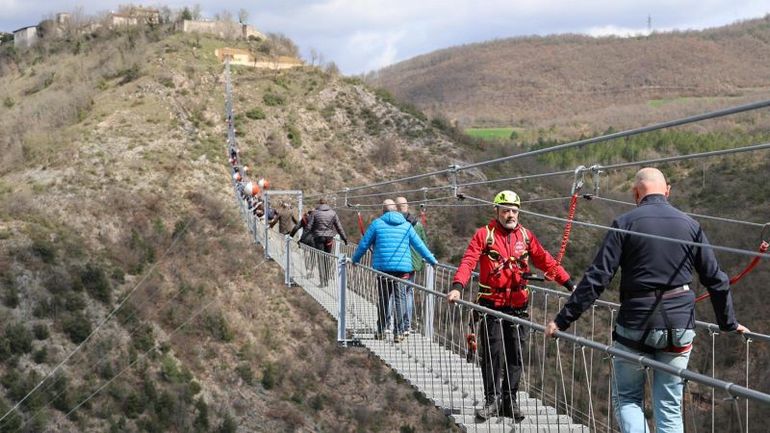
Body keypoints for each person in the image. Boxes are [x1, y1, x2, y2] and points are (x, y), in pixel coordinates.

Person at [544, 168, 749, 433]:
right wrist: (728, 324)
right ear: (668, 191)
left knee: (628, 398)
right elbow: (716, 280)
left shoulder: (625, 223)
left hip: (635, 324)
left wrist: (562, 321)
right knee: (669, 406)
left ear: (635, 193)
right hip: (679, 325)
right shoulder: (690, 225)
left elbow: (597, 279)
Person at [447, 190, 575, 422]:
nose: (510, 215)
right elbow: (469, 260)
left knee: (515, 356)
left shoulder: (525, 237)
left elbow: (546, 260)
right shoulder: (484, 235)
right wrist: (458, 285)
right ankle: (491, 400)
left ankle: (509, 400)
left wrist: (569, 284)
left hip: (518, 307)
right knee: (493, 355)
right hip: (491, 306)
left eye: (514, 211)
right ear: (496, 211)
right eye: (505, 210)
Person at [353, 199, 438, 343]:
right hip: (402, 269)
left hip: (383, 269)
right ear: (396, 211)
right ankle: (398, 332)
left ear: (383, 211)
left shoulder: (376, 224)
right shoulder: (406, 226)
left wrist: (355, 260)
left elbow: (363, 244)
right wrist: (432, 261)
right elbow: (419, 245)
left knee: (384, 299)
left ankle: (381, 330)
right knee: (401, 299)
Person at [395, 196, 428, 336]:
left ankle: (392, 324)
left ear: (396, 208)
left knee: (394, 294)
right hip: (413, 263)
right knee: (408, 293)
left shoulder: (395, 224)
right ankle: (406, 325)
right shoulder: (418, 225)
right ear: (407, 207)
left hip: (399, 263)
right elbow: (423, 244)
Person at [307, 198, 348, 286]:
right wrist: (344, 238)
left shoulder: (315, 213)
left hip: (318, 238)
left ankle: (323, 282)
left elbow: (308, 227)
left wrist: (309, 235)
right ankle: (327, 279)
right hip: (329, 238)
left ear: (319, 204)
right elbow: (339, 227)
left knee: (321, 258)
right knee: (327, 258)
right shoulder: (333, 213)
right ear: (327, 204)